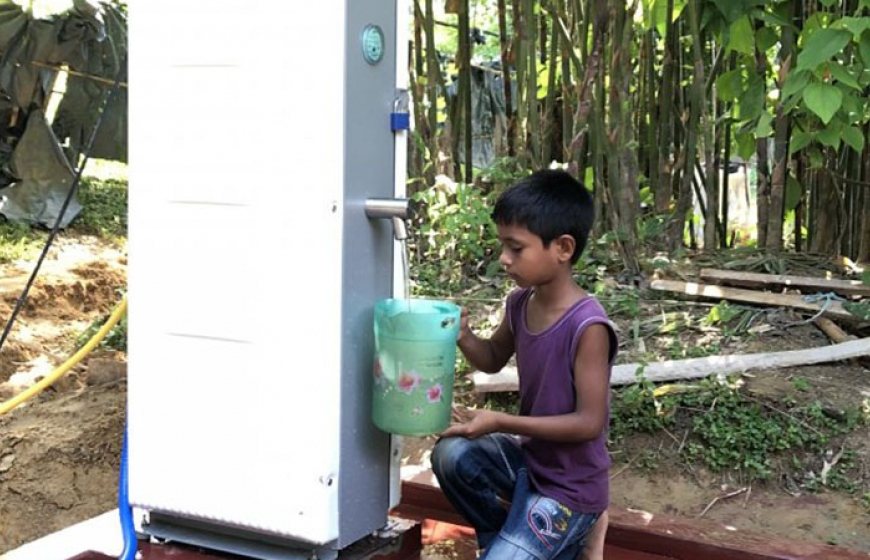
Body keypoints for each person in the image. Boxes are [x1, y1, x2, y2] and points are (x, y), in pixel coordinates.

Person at [431, 169, 616, 560]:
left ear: (563, 248)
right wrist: (464, 335)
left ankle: (575, 529)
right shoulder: (520, 303)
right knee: (450, 455)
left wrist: (499, 421)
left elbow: (589, 422)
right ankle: (519, 542)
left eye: (516, 248)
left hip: (570, 489)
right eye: (503, 246)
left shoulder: (588, 326)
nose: (504, 259)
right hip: (530, 465)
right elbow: (493, 359)